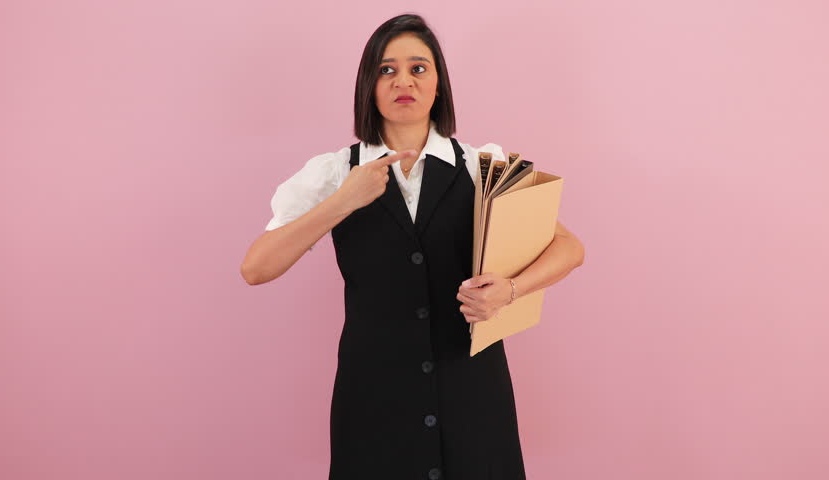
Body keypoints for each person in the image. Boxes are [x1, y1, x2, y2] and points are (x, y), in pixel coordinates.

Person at [241, 13, 585, 480]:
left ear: (439, 84)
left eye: (418, 68)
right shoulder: (334, 172)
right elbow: (256, 267)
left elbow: (569, 247)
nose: (403, 80)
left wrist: (510, 289)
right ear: (369, 84)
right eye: (386, 69)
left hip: (472, 392)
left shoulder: (482, 166)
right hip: (375, 398)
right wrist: (342, 201)